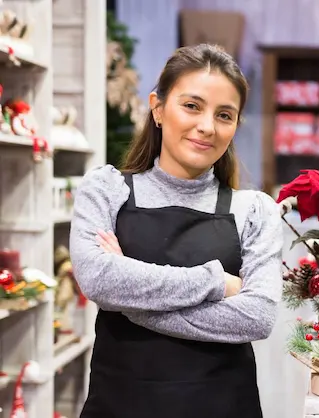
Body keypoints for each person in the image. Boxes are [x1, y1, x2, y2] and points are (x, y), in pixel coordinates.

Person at [70, 43, 281, 417]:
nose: (206, 127)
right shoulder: (106, 190)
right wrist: (216, 282)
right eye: (192, 106)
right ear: (157, 107)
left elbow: (256, 317)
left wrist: (131, 302)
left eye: (224, 115)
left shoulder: (254, 210)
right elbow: (98, 279)